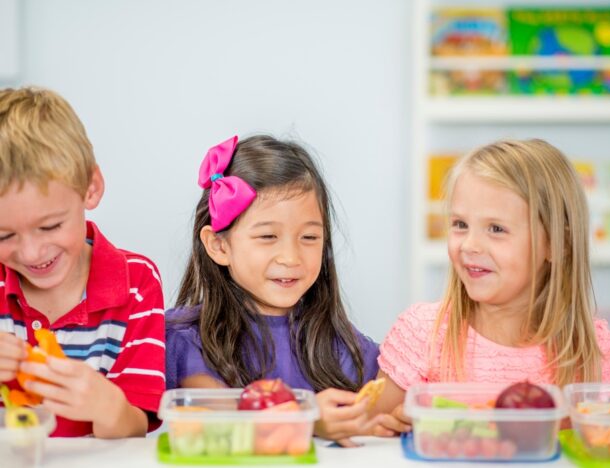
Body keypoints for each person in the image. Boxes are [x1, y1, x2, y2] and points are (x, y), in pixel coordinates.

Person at [372, 139, 610, 434]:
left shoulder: (589, 348)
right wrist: (396, 426)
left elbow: (598, 444)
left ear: (557, 244)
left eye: (496, 229)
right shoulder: (422, 332)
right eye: (460, 224)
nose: (470, 245)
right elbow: (372, 436)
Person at [166, 135, 379, 446]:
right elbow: (219, 423)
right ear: (218, 245)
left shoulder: (341, 344)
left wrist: (383, 418)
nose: (291, 257)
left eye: (309, 238)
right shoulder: (187, 341)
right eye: (268, 236)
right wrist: (307, 420)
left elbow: (384, 407)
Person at [0, 87, 165, 437]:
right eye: (4, 236)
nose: (31, 253)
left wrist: (107, 405)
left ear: (90, 188)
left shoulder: (136, 282)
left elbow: (136, 426)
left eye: (50, 226)